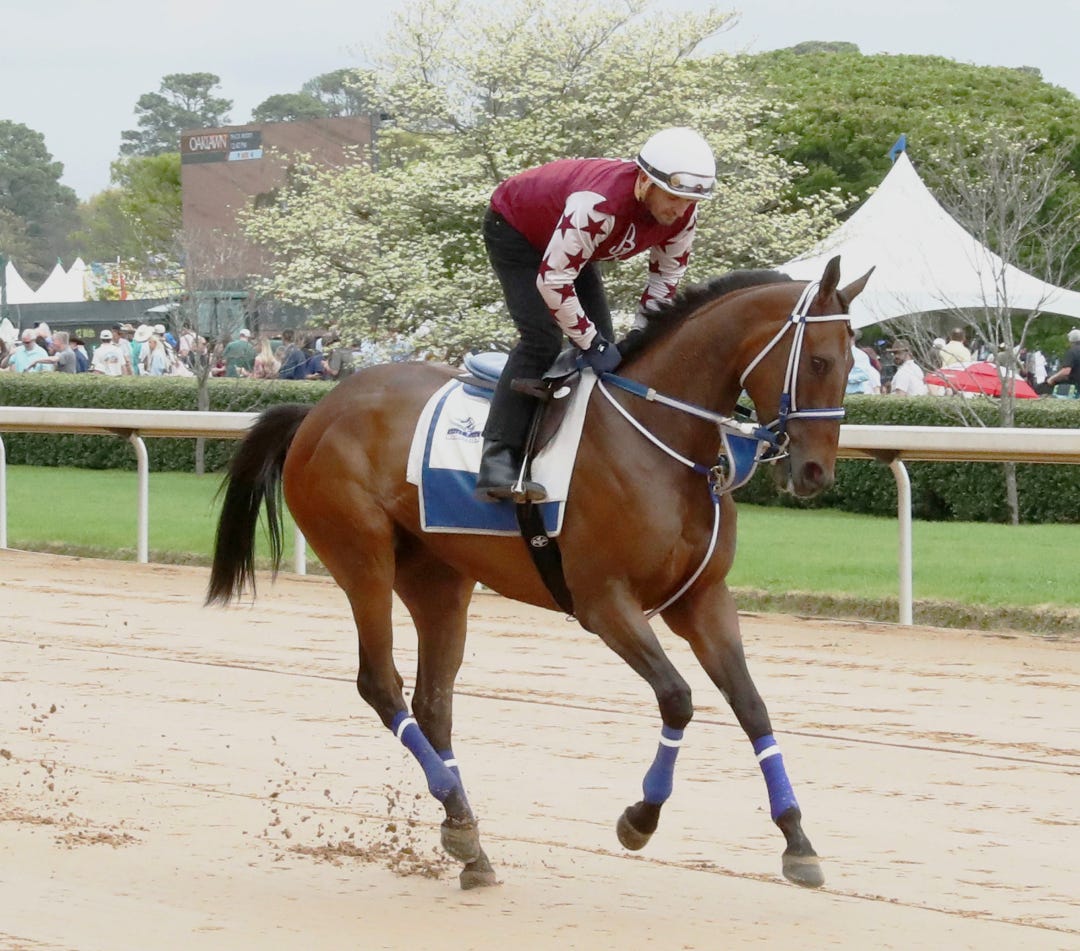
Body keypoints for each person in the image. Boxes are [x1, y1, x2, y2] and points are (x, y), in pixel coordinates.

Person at [476, 127, 716, 501]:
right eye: (672, 196)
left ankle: (580, 449)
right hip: (517, 230)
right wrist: (589, 341)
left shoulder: (683, 217)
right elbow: (553, 282)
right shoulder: (599, 204)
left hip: (571, 244)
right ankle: (498, 458)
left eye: (687, 201)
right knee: (543, 337)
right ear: (644, 182)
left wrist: (641, 336)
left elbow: (665, 281)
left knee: (606, 349)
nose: (679, 209)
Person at [1044, 328, 1080, 395]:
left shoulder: (1072, 352)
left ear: (1070, 340)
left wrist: (1052, 378)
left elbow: (1066, 371)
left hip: (1075, 387)